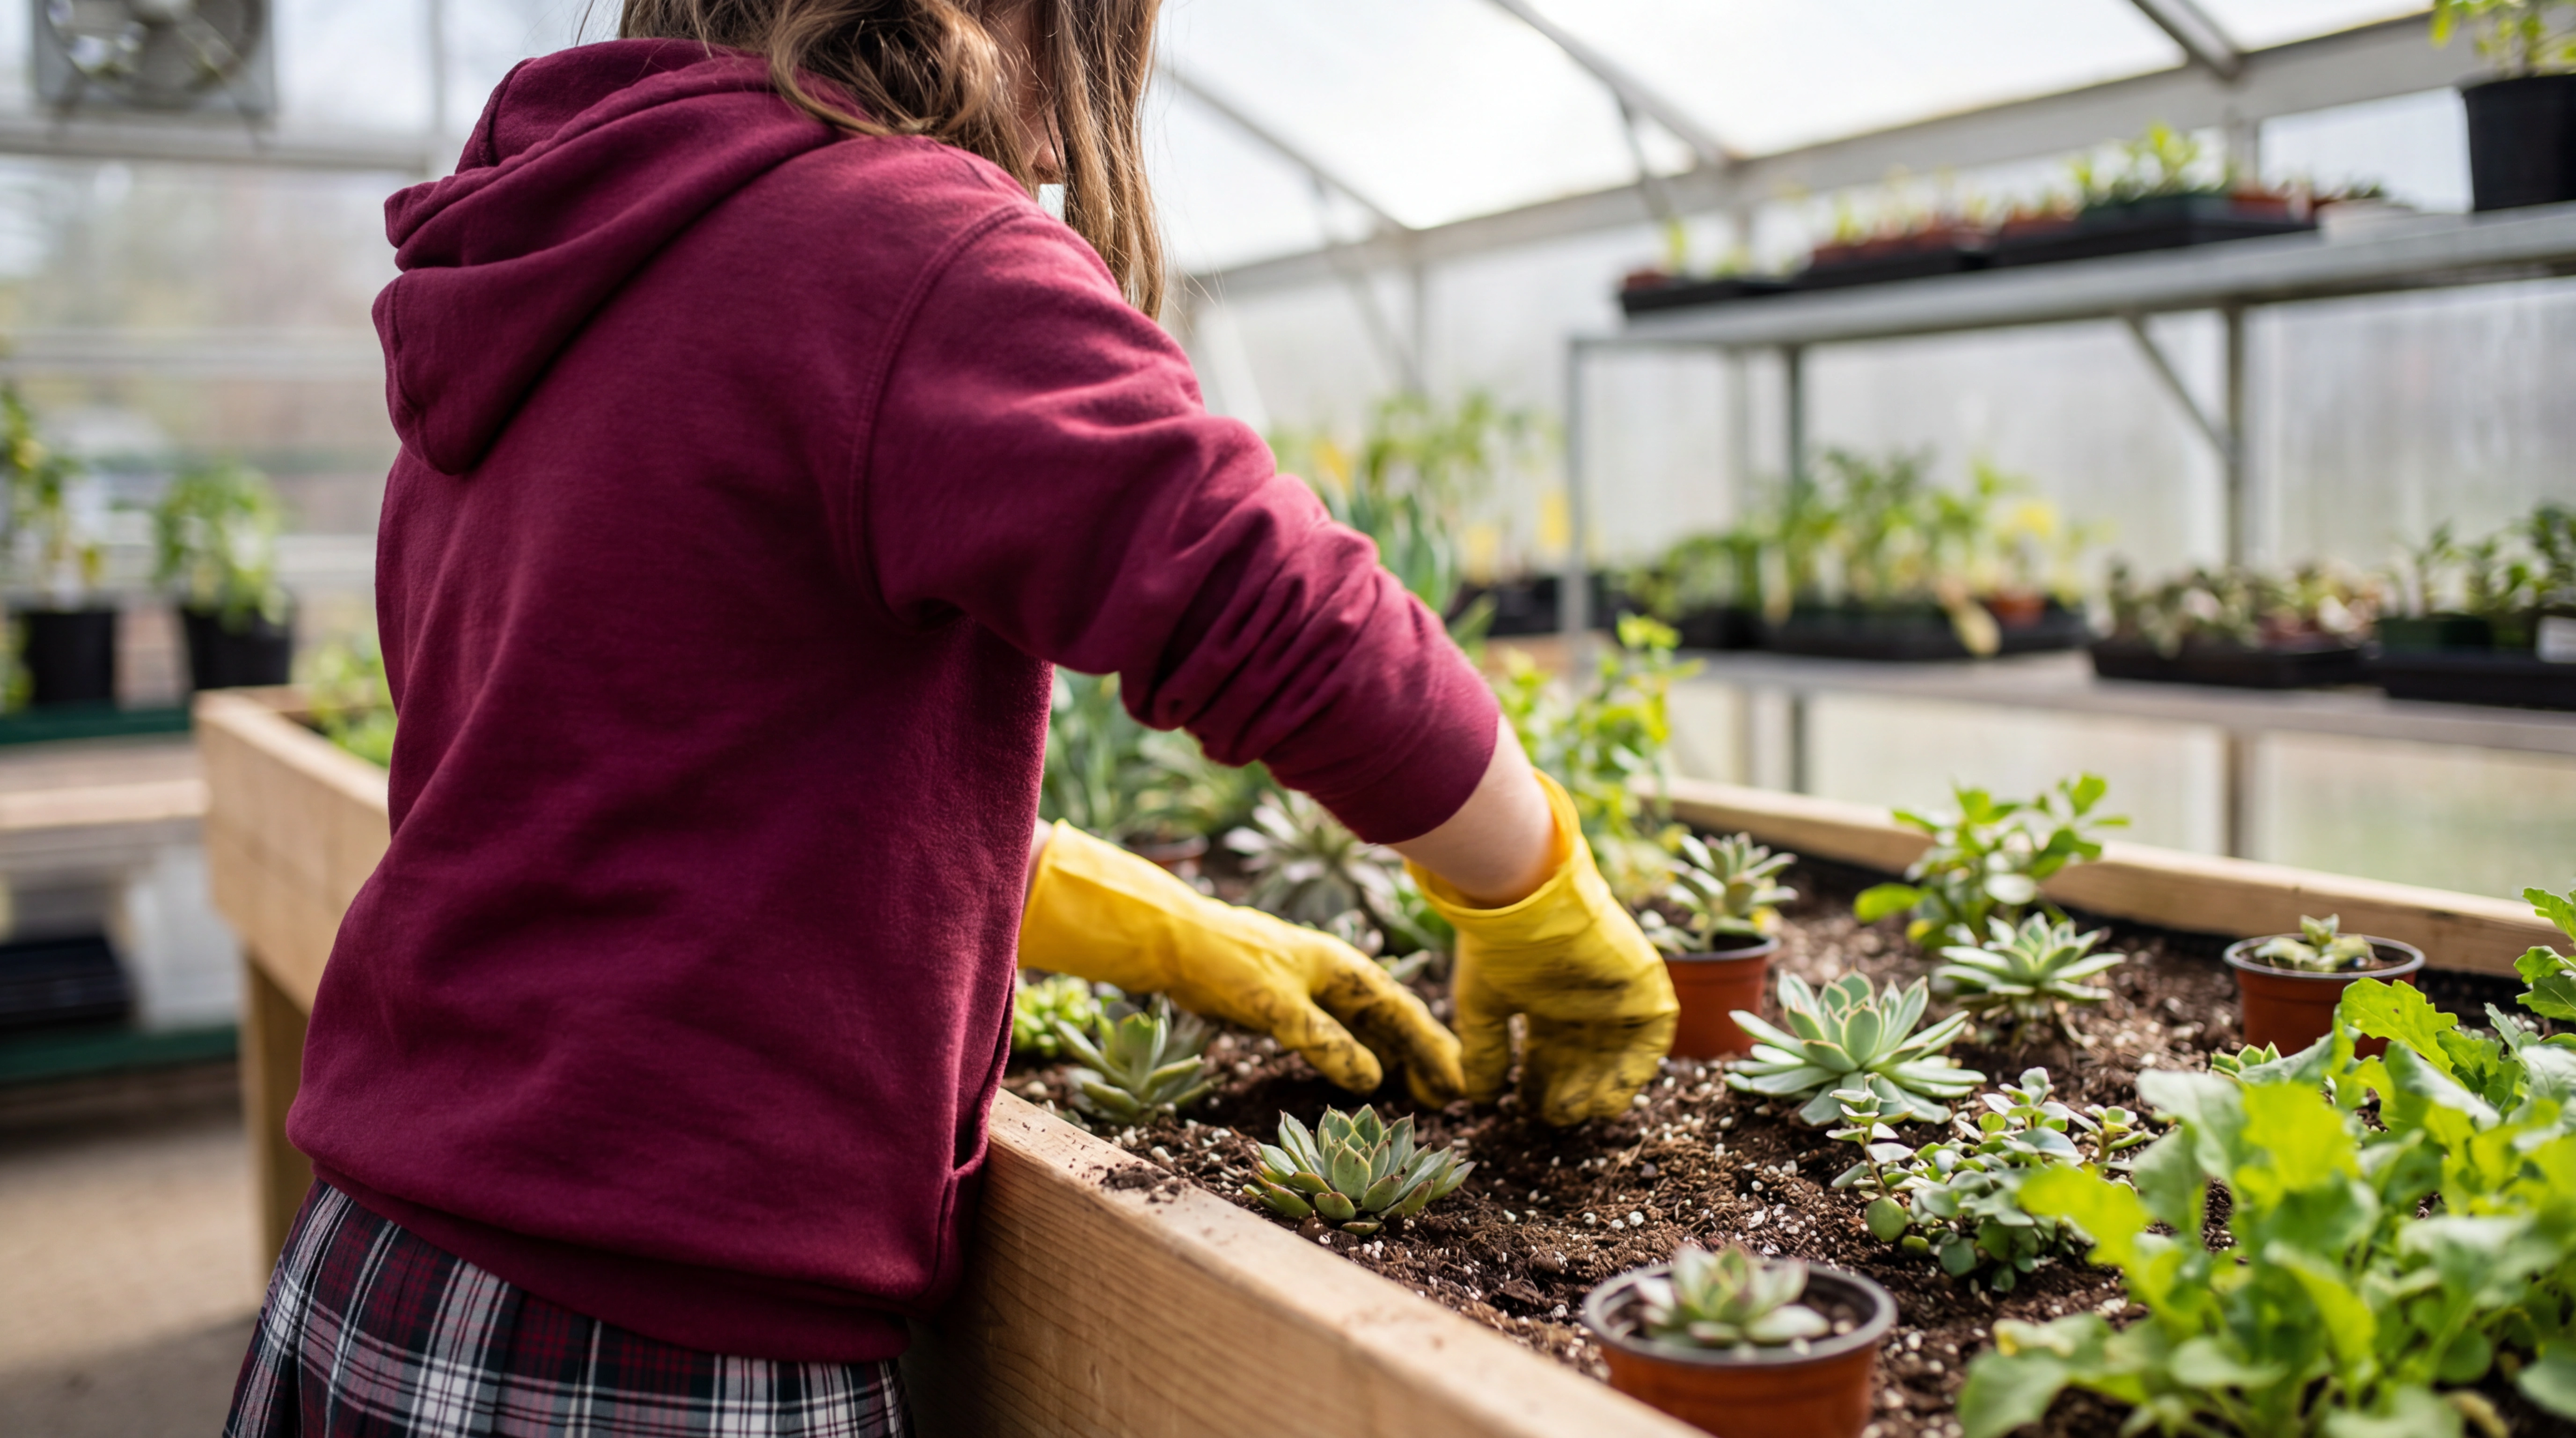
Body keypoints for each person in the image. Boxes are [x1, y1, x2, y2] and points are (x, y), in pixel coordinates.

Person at [225, 1, 1675, 1433]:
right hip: (648, 1339)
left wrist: (1101, 907)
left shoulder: (549, 265)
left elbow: (625, 762)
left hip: (373, 1271)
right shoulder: (892, 235)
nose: (1092, 115)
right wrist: (1530, 882)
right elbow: (1265, 595)